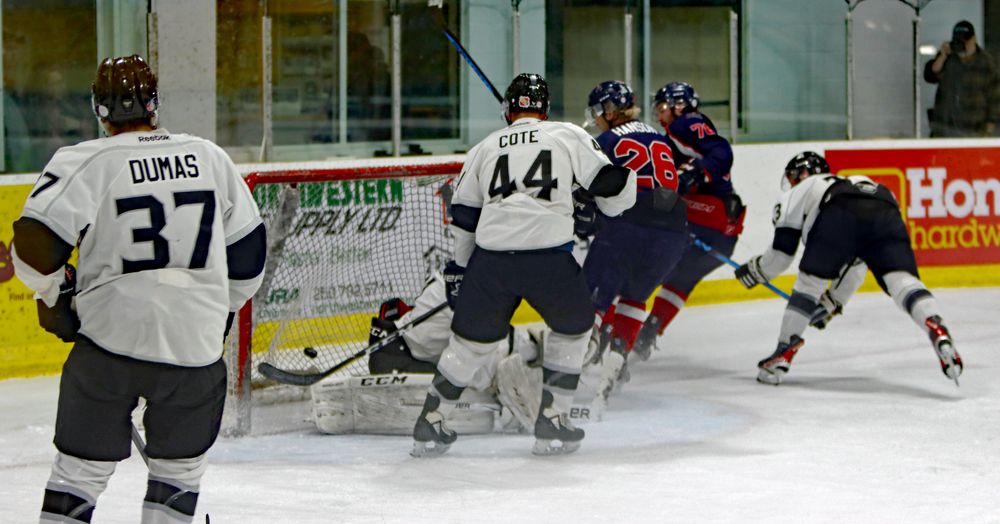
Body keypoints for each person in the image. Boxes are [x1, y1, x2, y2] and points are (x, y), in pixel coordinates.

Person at [11, 55, 266, 524]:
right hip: (194, 353)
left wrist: (55, 296)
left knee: (78, 476)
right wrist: (214, 316)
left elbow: (31, 248)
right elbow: (250, 258)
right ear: (154, 103)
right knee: (178, 475)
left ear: (99, 109)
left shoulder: (85, 160)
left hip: (110, 346)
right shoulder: (210, 157)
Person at [410, 73, 636, 457]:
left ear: (508, 109)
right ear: (544, 109)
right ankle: (553, 418)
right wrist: (598, 203)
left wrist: (462, 269)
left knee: (468, 345)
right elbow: (612, 185)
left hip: (492, 261)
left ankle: (431, 420)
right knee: (574, 329)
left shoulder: (484, 147)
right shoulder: (566, 135)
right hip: (548, 259)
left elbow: (464, 215)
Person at [733, 151, 963, 386]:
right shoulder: (851, 181)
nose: (791, 182)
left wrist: (756, 271)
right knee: (903, 283)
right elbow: (856, 263)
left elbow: (781, 255)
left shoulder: (801, 190)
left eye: (793, 176)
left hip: (838, 209)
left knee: (809, 285)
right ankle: (935, 325)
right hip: (885, 203)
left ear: (804, 173)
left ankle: (783, 352)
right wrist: (831, 302)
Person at [581, 80, 688, 387]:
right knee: (635, 296)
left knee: (594, 297)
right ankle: (616, 362)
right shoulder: (660, 137)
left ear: (610, 110)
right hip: (674, 231)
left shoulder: (606, 140)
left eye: (599, 112)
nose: (597, 119)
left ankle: (569, 366)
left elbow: (589, 184)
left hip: (628, 222)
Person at [632, 81, 745, 359]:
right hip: (723, 233)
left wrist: (695, 173)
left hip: (701, 221)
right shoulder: (674, 141)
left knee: (634, 264)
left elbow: (721, 152)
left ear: (678, 105)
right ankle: (649, 330)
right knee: (681, 280)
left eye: (663, 108)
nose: (660, 116)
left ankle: (613, 326)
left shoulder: (686, 123)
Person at [924, 20, 1000, 137]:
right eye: (958, 41)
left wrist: (989, 127)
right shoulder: (949, 58)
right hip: (945, 128)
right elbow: (930, 76)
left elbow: (995, 98)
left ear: (973, 40)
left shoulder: (987, 63)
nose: (962, 45)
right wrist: (943, 55)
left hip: (975, 130)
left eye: (965, 41)